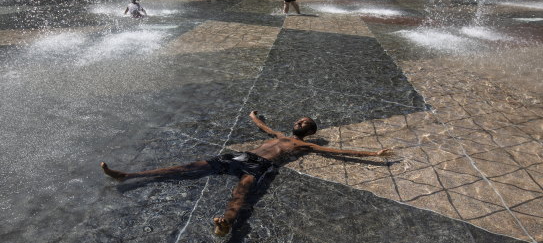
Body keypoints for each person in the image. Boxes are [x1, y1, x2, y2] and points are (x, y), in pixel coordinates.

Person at [100, 111, 392, 236]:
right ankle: (128, 175)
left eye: (305, 122)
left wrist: (373, 155)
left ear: (309, 131)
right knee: (189, 168)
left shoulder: (304, 145)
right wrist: (254, 116)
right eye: (300, 119)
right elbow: (263, 128)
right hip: (241, 156)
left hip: (258, 167)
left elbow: (337, 153)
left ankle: (225, 222)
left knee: (243, 191)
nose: (300, 121)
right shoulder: (278, 132)